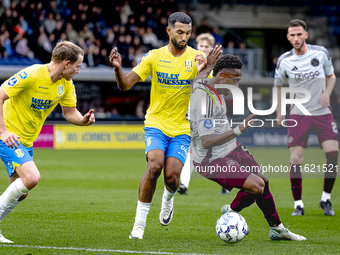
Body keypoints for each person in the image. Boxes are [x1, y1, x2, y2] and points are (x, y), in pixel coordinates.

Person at [109, 12, 207, 239]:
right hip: (156, 123)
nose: (184, 37)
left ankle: (168, 200)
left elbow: (208, 93)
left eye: (188, 33)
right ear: (169, 31)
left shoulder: (197, 58)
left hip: (182, 128)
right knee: (154, 166)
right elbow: (125, 85)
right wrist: (117, 69)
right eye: (180, 32)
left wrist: (204, 70)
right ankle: (139, 224)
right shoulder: (153, 57)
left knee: (172, 177)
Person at [190, 54, 306, 241]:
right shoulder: (205, 101)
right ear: (222, 77)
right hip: (210, 159)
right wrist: (238, 129)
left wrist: (207, 66)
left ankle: (277, 229)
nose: (236, 86)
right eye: (234, 81)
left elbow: (198, 79)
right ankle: (231, 211)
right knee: (256, 186)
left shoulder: (205, 84)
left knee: (263, 181)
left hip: (230, 148)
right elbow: (206, 141)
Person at [0, 41, 95, 243]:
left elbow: (70, 113)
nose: (79, 70)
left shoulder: (66, 84)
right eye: (77, 66)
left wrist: (82, 120)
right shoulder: (32, 74)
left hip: (25, 141)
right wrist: (3, 132)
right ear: (66, 63)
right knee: (32, 177)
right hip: (8, 136)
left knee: (19, 192)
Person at [274, 19, 338, 216]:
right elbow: (278, 85)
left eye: (299, 34)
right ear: (288, 37)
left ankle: (325, 199)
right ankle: (298, 205)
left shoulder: (320, 53)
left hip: (322, 112)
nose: (296, 38)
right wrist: (280, 111)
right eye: (292, 35)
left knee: (333, 153)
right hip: (299, 113)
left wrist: (327, 92)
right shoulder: (284, 61)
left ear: (306, 35)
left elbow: (331, 76)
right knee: (295, 159)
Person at [178, 32, 230, 195]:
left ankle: (227, 181)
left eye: (207, 47)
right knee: (192, 149)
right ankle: (184, 184)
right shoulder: (190, 64)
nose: (203, 49)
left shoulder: (218, 68)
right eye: (200, 46)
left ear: (212, 49)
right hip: (194, 113)